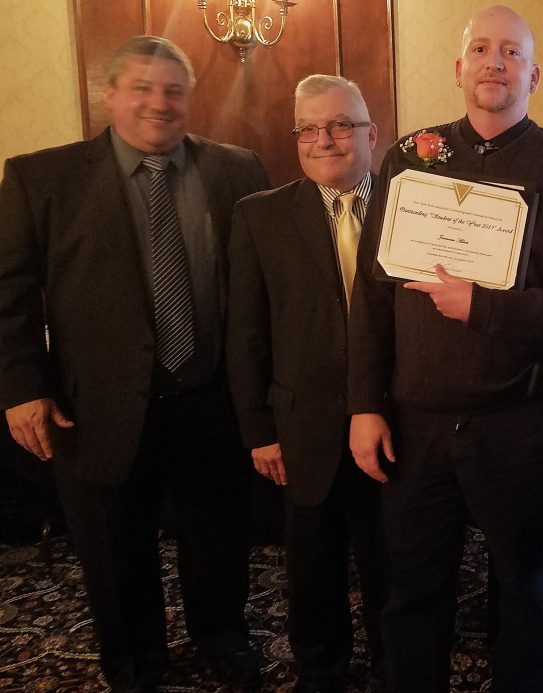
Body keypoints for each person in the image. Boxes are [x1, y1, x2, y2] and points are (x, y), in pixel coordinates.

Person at [0, 36, 270, 692]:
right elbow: (7, 291)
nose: (159, 102)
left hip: (207, 395)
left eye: (173, 90)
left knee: (217, 533)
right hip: (96, 402)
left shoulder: (239, 171)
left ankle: (221, 635)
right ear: (111, 95)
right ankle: (134, 661)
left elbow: (261, 287)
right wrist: (20, 387)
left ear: (189, 99)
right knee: (114, 549)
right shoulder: (41, 177)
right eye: (143, 88)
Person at [347, 5, 543, 691]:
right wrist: (365, 404)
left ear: (534, 73)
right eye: (482, 50)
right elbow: (372, 297)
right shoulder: (408, 156)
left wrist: (480, 306)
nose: (496, 62)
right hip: (416, 422)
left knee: (524, 586)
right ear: (459, 69)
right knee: (412, 589)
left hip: (517, 424)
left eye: (511, 53)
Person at [226, 74, 389, 693]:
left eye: (340, 125)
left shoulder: (409, 209)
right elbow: (245, 334)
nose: (325, 139)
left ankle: (394, 664)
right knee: (313, 567)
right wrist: (259, 431)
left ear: (371, 134)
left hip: (394, 426)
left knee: (390, 563)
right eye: (309, 129)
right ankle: (322, 672)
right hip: (302, 431)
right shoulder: (259, 218)